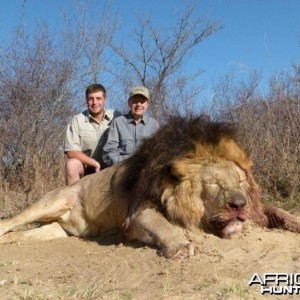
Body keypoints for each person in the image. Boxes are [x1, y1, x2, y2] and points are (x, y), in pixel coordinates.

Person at [64, 83, 121, 185]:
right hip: (87, 167)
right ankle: (73, 199)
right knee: (72, 164)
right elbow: (71, 152)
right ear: (86, 100)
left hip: (112, 166)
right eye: (91, 99)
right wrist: (94, 163)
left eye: (98, 98)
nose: (95, 102)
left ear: (105, 100)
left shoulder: (117, 116)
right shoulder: (77, 120)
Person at [102, 86, 159, 166]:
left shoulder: (154, 124)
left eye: (142, 101)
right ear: (129, 103)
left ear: (147, 105)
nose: (139, 104)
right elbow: (109, 154)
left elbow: (158, 152)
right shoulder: (118, 122)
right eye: (135, 101)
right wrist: (130, 161)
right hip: (122, 168)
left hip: (147, 169)